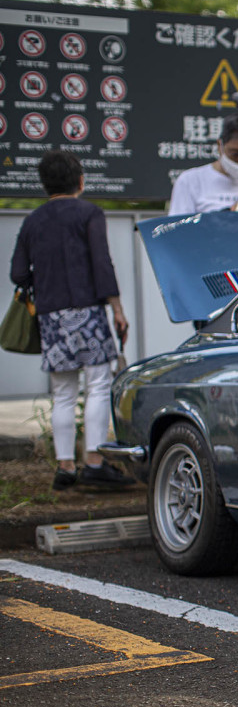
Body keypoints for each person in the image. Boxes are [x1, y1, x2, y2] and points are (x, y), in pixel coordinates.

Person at [9, 150, 134, 490]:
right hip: (88, 311)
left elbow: (18, 273)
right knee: (98, 385)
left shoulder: (32, 221)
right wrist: (117, 309)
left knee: (62, 392)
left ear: (44, 185)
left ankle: (65, 467)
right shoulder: (89, 213)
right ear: (81, 181)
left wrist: (43, 284)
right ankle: (94, 461)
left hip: (50, 315)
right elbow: (101, 263)